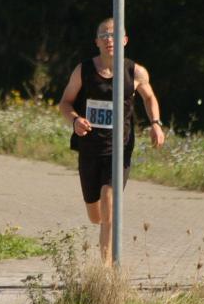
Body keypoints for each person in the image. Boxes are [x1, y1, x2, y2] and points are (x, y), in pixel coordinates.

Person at [58, 17, 165, 267]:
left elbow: (150, 98)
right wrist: (75, 120)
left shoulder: (135, 72)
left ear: (124, 41)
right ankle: (102, 232)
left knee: (109, 202)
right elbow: (65, 103)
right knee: (95, 215)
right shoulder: (83, 70)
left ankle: (105, 270)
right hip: (89, 148)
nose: (109, 40)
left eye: (115, 35)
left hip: (119, 148)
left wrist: (156, 124)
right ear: (96, 41)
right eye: (104, 35)